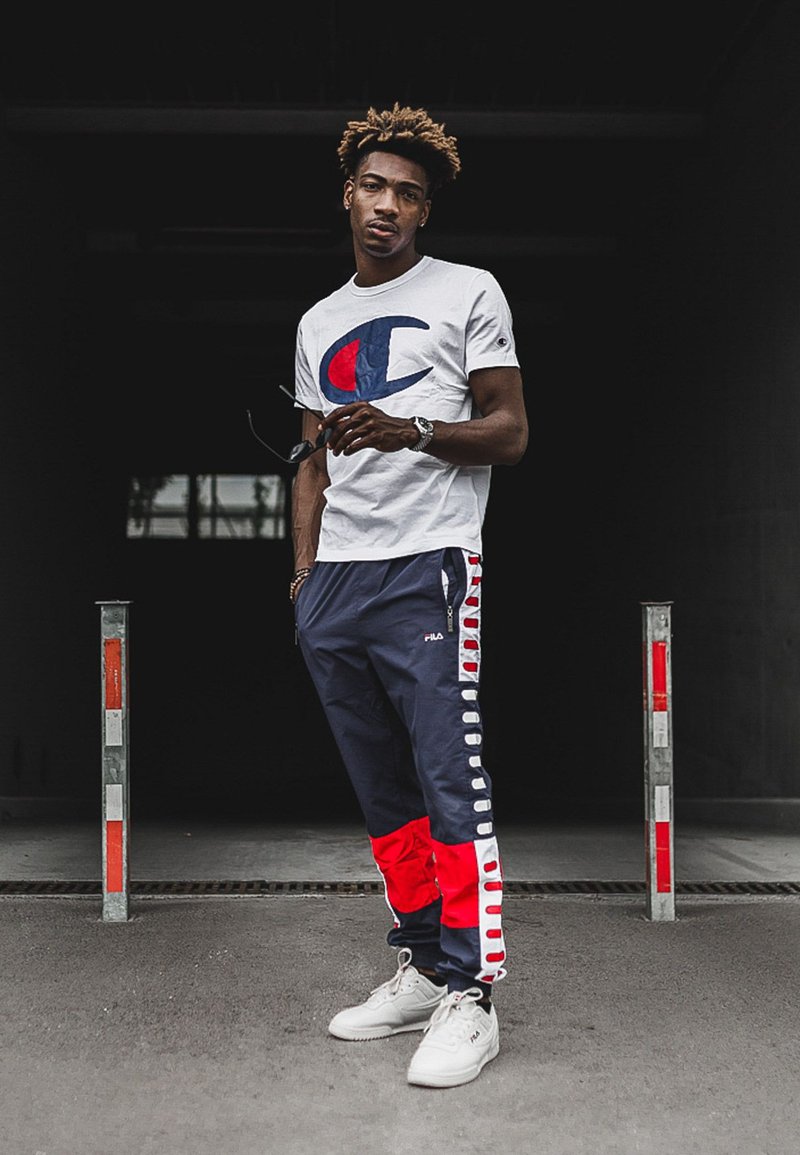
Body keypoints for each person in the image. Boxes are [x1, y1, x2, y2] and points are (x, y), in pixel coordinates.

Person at [288, 102, 529, 1089]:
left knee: (447, 782)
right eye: (374, 187)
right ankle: (425, 966)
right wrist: (302, 576)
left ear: (425, 211)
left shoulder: (467, 291)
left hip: (427, 564)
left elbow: (509, 431)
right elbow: (310, 460)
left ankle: (472, 993)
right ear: (348, 195)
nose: (387, 205)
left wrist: (412, 431)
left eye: (408, 194)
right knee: (383, 794)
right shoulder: (318, 321)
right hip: (336, 582)